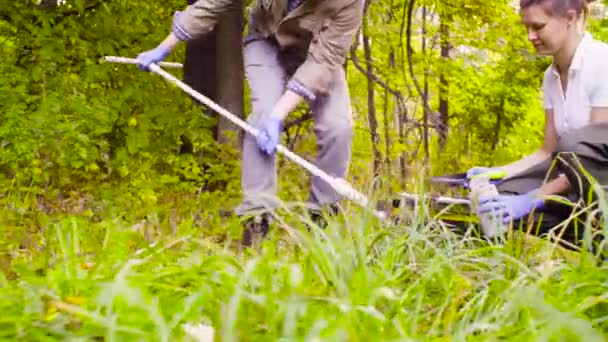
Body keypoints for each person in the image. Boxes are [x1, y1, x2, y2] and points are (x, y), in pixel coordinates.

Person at [136, 0, 365, 246]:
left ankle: (321, 218)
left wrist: (280, 115)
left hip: (319, 56)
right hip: (266, 41)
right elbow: (213, 3)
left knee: (338, 128)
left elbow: (324, 61)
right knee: (262, 116)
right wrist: (164, 47)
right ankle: (257, 217)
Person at [467, 0, 608, 247]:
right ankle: (563, 234)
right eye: (526, 27)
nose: (530, 36)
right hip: (573, 184)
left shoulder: (601, 63)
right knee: (502, 196)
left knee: (574, 146)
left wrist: (535, 197)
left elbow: (589, 157)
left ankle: (594, 238)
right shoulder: (551, 77)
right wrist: (499, 172)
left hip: (600, 182)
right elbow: (547, 151)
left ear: (570, 18)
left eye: (538, 26)